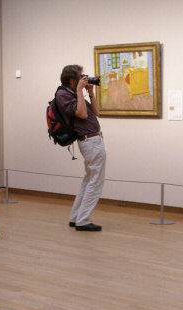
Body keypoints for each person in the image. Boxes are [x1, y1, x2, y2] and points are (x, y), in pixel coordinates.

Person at [56, 64, 107, 232]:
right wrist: (79, 91)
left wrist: (90, 93)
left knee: (88, 180)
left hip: (93, 140)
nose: (84, 78)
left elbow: (96, 112)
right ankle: (83, 220)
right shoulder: (63, 94)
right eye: (80, 76)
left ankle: (76, 217)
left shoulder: (72, 93)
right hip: (89, 142)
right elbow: (82, 114)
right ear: (72, 80)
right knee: (95, 181)